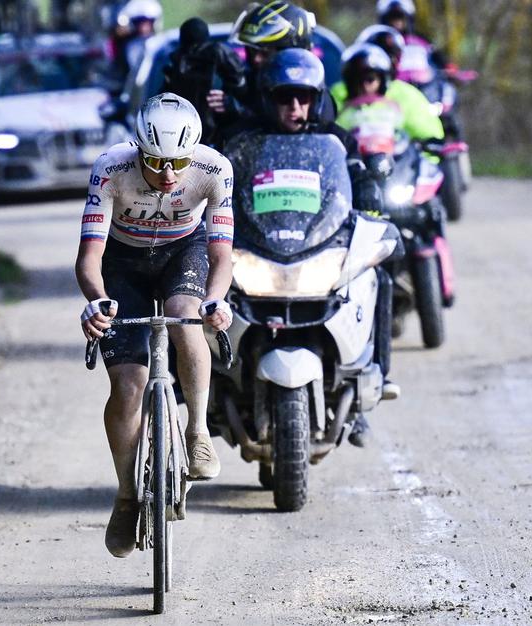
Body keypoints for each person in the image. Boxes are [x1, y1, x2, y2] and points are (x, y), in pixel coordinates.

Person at [76, 94, 234, 558]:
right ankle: (126, 494)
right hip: (122, 261)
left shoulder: (214, 169)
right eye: (156, 161)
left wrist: (216, 300)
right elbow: (89, 257)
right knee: (128, 386)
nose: (168, 174)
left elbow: (222, 255)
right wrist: (96, 301)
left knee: (187, 322)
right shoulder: (110, 168)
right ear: (137, 149)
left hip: (182, 253)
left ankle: (198, 431)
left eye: (178, 162)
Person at [227, 49, 403, 446]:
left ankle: (376, 373)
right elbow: (223, 186)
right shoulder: (242, 143)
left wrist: (371, 190)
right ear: (267, 98)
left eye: (303, 97)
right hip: (260, 250)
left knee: (380, 274)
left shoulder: (335, 141)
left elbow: (356, 179)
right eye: (284, 97)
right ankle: (198, 389)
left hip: (318, 249)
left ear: (317, 98)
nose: (294, 106)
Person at [209, 1, 331, 133]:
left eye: (265, 53)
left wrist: (242, 112)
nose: (256, 59)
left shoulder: (313, 94)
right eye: (251, 51)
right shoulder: (248, 81)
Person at [162, 17, 246, 145]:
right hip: (179, 139)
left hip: (217, 140)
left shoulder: (219, 56)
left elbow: (247, 97)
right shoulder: (175, 63)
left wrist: (231, 105)